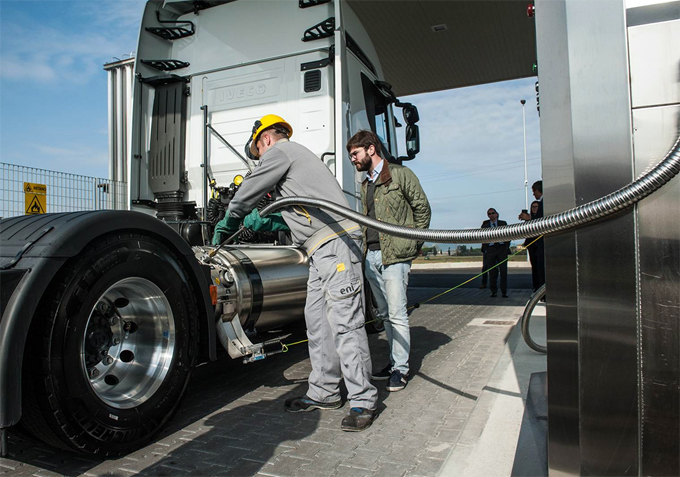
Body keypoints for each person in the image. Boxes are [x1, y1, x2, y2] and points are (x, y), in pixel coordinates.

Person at [213, 115, 378, 432]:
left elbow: (248, 190)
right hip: (318, 248)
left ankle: (363, 399)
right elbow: (295, 216)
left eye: (257, 152)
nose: (259, 160)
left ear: (265, 139)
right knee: (316, 323)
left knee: (345, 322)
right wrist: (262, 223)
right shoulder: (295, 163)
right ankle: (325, 392)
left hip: (336, 242)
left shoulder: (281, 151)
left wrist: (231, 219)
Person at [346, 130, 431, 392]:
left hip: (396, 256)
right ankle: (394, 362)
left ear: (371, 149)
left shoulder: (400, 174)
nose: (353, 160)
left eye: (355, 154)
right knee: (384, 315)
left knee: (397, 314)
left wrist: (413, 244)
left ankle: (401, 370)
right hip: (372, 256)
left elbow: (422, 209)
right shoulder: (365, 183)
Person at [481, 208, 509, 298]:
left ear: (497, 214)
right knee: (492, 272)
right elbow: (482, 238)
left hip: (501, 249)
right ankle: (493, 291)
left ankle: (504, 291)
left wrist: (506, 247)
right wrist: (486, 249)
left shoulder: (503, 224)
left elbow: (509, 235)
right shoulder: (485, 226)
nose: (491, 215)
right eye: (489, 214)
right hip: (491, 249)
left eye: (493, 213)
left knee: (503, 271)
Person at [521, 200, 545, 291]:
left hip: (539, 246)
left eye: (536, 207)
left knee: (540, 268)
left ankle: (541, 288)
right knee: (534, 268)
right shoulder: (529, 220)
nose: (534, 209)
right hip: (532, 246)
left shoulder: (539, 218)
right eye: (533, 207)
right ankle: (536, 287)